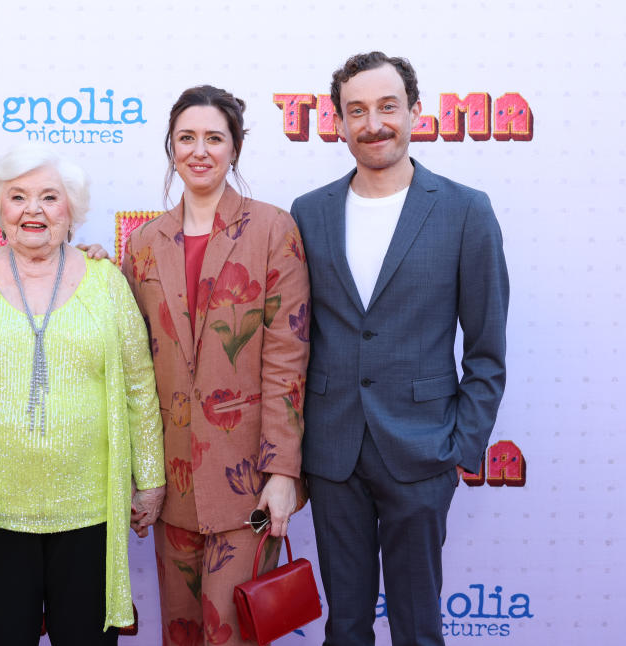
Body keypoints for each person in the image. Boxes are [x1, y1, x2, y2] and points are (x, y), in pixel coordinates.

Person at [290, 52, 509, 646]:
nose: (373, 123)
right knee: (346, 626)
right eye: (356, 111)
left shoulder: (466, 210)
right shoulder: (307, 214)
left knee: (418, 626)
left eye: (388, 107)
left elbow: (487, 350)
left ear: (415, 112)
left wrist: (462, 446)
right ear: (337, 122)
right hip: (333, 451)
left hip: (422, 450)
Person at [0, 143, 166, 645]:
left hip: (91, 510)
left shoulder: (106, 282)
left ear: (72, 210)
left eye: (49, 197)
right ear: (0, 209)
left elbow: (138, 386)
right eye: (18, 197)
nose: (33, 210)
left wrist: (149, 479)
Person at [122, 85, 311, 645]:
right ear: (171, 148)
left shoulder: (274, 230)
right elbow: (133, 360)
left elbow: (288, 360)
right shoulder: (146, 244)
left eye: (213, 138)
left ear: (235, 147)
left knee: (232, 635)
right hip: (171, 481)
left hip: (246, 481)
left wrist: (283, 473)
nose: (199, 150)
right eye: (186, 138)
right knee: (178, 633)